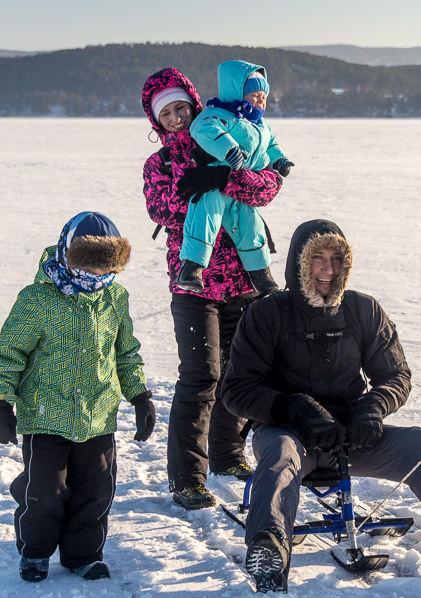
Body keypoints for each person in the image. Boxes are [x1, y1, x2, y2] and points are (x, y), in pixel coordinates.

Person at [221, 219, 421, 593]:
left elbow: (396, 376)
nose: (329, 270)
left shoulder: (363, 310)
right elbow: (237, 390)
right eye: (319, 259)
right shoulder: (266, 314)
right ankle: (269, 548)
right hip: (289, 431)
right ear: (299, 264)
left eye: (337, 259)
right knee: (280, 454)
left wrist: (373, 407)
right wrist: (297, 408)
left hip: (351, 433)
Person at [0, 211, 155, 582]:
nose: (95, 276)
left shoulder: (115, 297)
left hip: (98, 415)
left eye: (105, 267)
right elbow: (6, 354)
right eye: (87, 266)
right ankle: (36, 553)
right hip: (45, 415)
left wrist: (139, 396)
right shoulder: (37, 299)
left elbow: (124, 352)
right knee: (45, 493)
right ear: (66, 254)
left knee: (94, 493)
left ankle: (83, 555)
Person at [142, 67, 284, 510]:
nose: (177, 116)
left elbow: (266, 188)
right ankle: (187, 476)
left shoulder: (228, 136)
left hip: (242, 279)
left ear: (195, 104)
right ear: (155, 120)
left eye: (182, 106)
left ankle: (227, 456)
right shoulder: (159, 163)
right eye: (166, 112)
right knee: (200, 376)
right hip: (194, 284)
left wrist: (222, 177)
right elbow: (161, 210)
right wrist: (200, 187)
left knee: (237, 374)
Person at [176, 59, 294, 296]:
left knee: (251, 227)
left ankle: (261, 275)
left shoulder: (261, 126)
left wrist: (278, 160)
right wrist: (228, 149)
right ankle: (192, 266)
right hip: (215, 181)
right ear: (237, 92)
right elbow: (204, 129)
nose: (261, 101)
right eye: (254, 95)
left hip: (241, 187)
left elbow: (271, 144)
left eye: (264, 96)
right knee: (205, 213)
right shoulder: (219, 114)